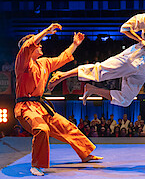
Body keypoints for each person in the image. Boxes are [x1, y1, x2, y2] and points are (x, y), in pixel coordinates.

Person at [48, 0, 145, 107]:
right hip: (136, 57)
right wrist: (141, 39)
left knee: (125, 100)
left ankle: (91, 89)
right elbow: (125, 28)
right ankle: (63, 75)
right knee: (102, 70)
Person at [14, 23, 103, 176]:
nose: (40, 46)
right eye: (37, 44)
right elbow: (28, 46)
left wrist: (75, 44)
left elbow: (62, 58)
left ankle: (85, 154)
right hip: (26, 107)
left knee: (67, 126)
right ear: (29, 48)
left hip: (40, 106)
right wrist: (47, 30)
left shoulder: (43, 63)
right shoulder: (22, 62)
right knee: (42, 130)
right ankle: (36, 165)